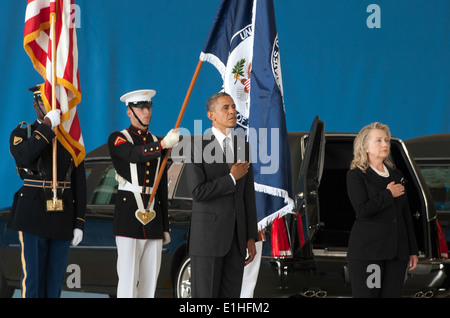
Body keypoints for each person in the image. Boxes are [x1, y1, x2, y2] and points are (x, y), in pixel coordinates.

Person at [8, 85, 86, 298]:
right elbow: (24, 156)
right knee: (33, 282)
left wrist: (79, 222)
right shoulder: (23, 132)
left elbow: (79, 181)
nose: (54, 107)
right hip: (33, 214)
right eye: (47, 102)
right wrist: (47, 125)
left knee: (54, 284)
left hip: (62, 215)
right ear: (35, 105)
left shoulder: (69, 139)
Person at [107, 89, 179, 298]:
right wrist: (163, 145)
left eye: (148, 107)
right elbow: (133, 155)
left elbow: (161, 186)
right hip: (129, 215)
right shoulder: (119, 138)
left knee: (149, 283)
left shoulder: (157, 141)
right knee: (128, 280)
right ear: (129, 111)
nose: (146, 112)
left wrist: (165, 226)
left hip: (154, 217)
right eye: (141, 108)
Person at [186, 92, 258, 298]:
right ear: (211, 115)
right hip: (208, 240)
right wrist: (231, 178)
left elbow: (248, 196)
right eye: (225, 108)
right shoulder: (196, 146)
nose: (233, 111)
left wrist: (250, 236)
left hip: (237, 240)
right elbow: (197, 192)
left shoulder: (243, 147)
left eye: (234, 107)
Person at [346, 122, 419, 298]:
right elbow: (362, 211)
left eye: (386, 140)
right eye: (378, 140)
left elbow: (405, 214)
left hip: (397, 254)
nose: (385, 144)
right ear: (365, 146)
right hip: (371, 253)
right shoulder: (356, 175)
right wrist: (388, 194)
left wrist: (412, 250)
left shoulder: (397, 175)